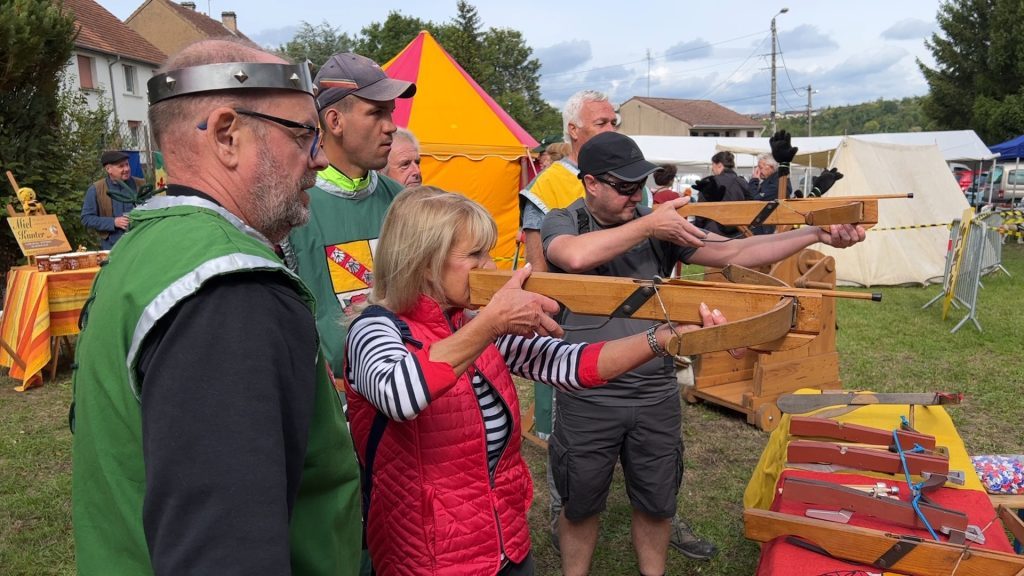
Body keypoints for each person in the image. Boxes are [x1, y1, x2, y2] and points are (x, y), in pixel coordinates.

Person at [71, 39, 362, 575]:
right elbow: (226, 554)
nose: (319, 157)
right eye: (304, 134)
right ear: (227, 135)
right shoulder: (230, 290)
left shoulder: (148, 247)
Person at [343, 186, 730, 575]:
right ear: (424, 262)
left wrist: (662, 337)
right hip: (426, 560)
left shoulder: (470, 325)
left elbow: (571, 364)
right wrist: (492, 322)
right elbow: (400, 395)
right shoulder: (375, 329)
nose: (491, 267)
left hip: (506, 545)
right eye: (475, 255)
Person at [541, 131, 865, 576]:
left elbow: (735, 249)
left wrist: (814, 233)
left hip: (654, 392)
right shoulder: (565, 221)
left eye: (642, 185)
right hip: (588, 394)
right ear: (591, 183)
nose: (637, 195)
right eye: (625, 187)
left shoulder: (656, 225)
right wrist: (651, 223)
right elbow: (574, 257)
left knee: (657, 503)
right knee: (579, 506)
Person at [283, 52, 416, 372]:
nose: (391, 127)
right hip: (330, 407)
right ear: (334, 121)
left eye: (391, 113)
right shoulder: (289, 207)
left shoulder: (404, 202)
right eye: (376, 113)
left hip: (406, 392)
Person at [519, 89, 620, 272]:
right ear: (573, 129)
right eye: (601, 123)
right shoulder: (546, 186)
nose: (611, 130)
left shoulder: (630, 179)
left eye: (614, 123)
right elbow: (538, 267)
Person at [81, 150, 146, 249]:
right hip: (112, 245)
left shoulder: (141, 185)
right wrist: (113, 222)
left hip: (139, 241)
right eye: (121, 166)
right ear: (108, 169)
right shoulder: (96, 189)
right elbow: (86, 218)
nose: (127, 169)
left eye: (127, 164)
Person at [691, 151, 750, 237]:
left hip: (714, 232)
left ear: (719, 165)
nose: (712, 168)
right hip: (739, 231)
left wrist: (697, 230)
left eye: (713, 164)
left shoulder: (709, 182)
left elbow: (701, 212)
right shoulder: (743, 182)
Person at [747, 152, 792, 234]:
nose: (758, 171)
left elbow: (754, 199)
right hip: (766, 227)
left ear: (771, 167)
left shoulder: (777, 183)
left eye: (760, 167)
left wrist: (754, 180)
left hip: (768, 230)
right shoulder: (774, 181)